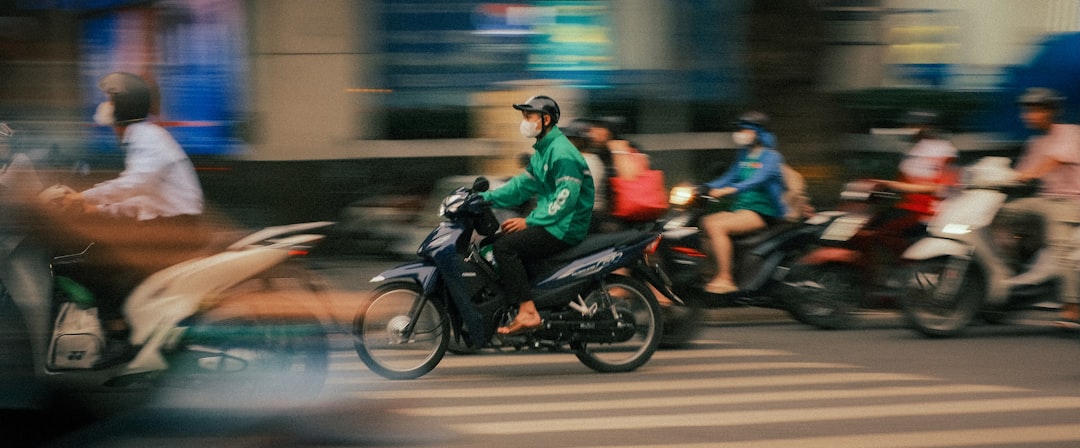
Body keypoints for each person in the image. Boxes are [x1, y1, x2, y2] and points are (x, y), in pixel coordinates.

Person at [50, 71, 209, 366]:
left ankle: (122, 338)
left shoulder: (145, 135)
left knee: (100, 266)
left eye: (109, 99)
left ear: (123, 105)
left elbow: (136, 184)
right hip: (169, 224)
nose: (104, 105)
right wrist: (96, 209)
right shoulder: (145, 136)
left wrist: (83, 198)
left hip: (173, 228)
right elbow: (141, 197)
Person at [480, 95, 594, 335]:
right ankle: (528, 299)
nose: (524, 121)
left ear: (545, 120)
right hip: (554, 223)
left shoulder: (561, 152)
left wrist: (529, 221)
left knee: (505, 248)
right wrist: (484, 198)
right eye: (524, 115)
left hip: (566, 226)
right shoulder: (544, 151)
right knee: (494, 243)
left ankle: (528, 311)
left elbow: (566, 199)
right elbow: (520, 187)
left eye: (528, 115)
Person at [1002, 87, 1080, 330]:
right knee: (1001, 214)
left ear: (1052, 112)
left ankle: (1072, 307)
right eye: (1028, 110)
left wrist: (1029, 174)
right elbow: (1019, 173)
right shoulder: (1034, 142)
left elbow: (1053, 161)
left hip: (1069, 202)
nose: (1029, 115)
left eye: (1036, 110)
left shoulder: (1070, 132)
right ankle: (1002, 276)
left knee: (1061, 250)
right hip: (1044, 200)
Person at [700, 111, 787, 295]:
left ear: (757, 132)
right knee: (705, 222)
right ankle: (711, 273)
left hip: (763, 211)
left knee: (717, 226)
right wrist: (703, 187)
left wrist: (729, 190)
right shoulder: (744, 155)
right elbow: (728, 177)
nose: (740, 133)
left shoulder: (771, 157)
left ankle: (726, 278)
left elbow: (758, 179)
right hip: (742, 209)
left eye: (744, 129)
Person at [872, 110, 960, 241]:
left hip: (927, 212)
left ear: (926, 127)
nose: (908, 128)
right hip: (908, 207)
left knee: (879, 231)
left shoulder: (943, 150)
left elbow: (939, 187)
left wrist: (891, 185)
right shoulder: (913, 149)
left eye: (913, 125)